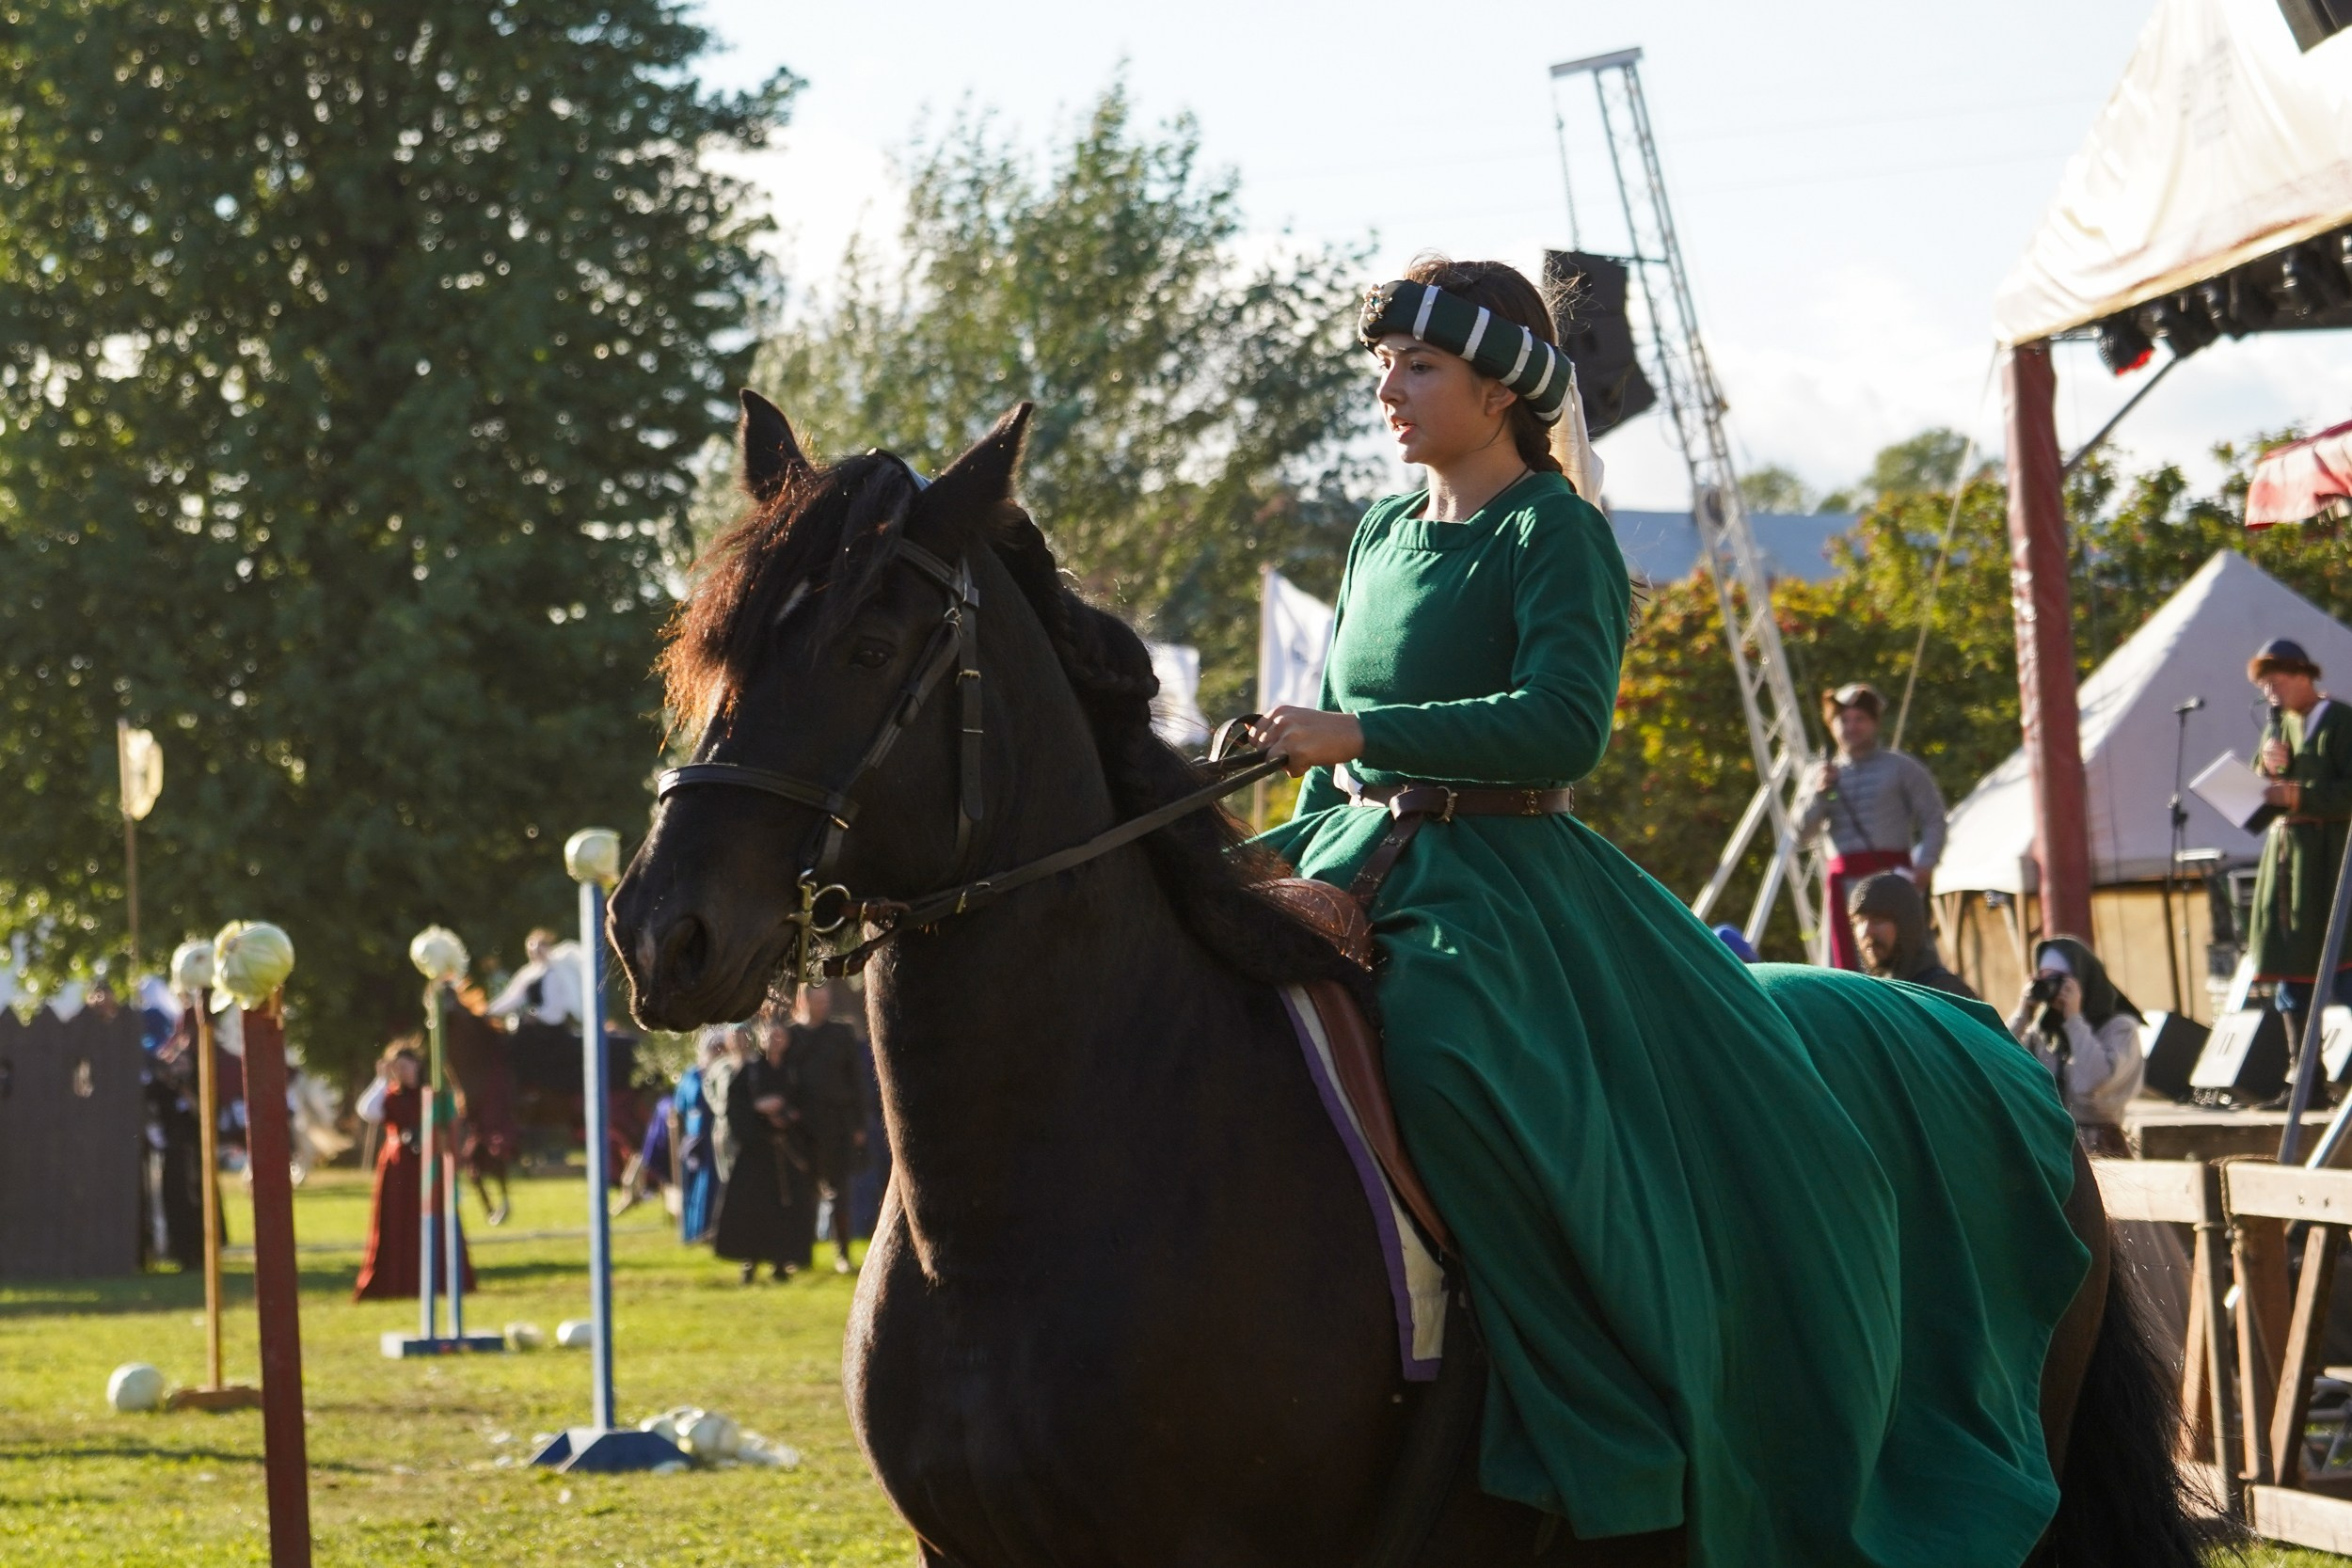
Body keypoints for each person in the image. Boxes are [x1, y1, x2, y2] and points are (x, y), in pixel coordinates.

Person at [1248, 256, 2087, 1563]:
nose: (1387, 390)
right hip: (1353, 837)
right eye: (1386, 365)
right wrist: (1293, 754)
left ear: (1502, 387)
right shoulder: (1375, 528)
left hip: (1503, 874)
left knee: (1457, 1066)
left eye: (1418, 365)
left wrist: (1354, 724)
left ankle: (1585, 1416)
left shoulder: (1555, 530)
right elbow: (1348, 723)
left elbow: (1561, 723)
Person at [1792, 683, 1948, 971]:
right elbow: (1800, 834)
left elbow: (1934, 818)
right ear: (1832, 725)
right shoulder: (1818, 774)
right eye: (1844, 719)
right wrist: (1819, 792)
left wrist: (1925, 865)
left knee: (1906, 963)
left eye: (1859, 719)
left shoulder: (1902, 768)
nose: (1851, 727)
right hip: (1843, 891)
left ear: (1874, 722)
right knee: (1846, 973)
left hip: (1894, 883)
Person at [2249, 638, 2352, 1031]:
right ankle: (2305, 1083)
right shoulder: (2277, 729)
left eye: (2274, 681)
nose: (2268, 692)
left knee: (2345, 969)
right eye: (2264, 686)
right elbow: (2261, 793)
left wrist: (2298, 796)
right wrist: (2265, 771)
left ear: (2300, 674)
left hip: (2333, 862)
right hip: (2288, 866)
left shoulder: (2341, 721)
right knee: (2291, 973)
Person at [354, 1042, 474, 1302]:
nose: (401, 1073)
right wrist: (381, 1079)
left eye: (405, 1067)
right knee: (397, 1224)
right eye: (396, 1068)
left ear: (417, 1066)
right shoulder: (390, 1095)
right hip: (398, 1170)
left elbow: (449, 1131)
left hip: (427, 1167)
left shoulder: (435, 1095)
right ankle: (397, 1281)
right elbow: (367, 1111)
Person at [2005, 937, 2142, 1153]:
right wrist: (2021, 1016)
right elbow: (1994, 1062)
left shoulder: (2120, 1029)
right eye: (2044, 977)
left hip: (2100, 1151)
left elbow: (2091, 1084)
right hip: (2048, 1146)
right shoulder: (2043, 1032)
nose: (2052, 987)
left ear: (2082, 978)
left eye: (2058, 979)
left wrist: (2074, 1020)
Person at [709, 1009, 814, 1283]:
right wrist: (759, 1109)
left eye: (781, 1035)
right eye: (771, 1036)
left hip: (787, 1151)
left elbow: (806, 1103)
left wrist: (788, 1115)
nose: (776, 1040)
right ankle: (750, 1262)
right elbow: (736, 1107)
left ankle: (782, 1262)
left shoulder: (794, 1069)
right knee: (752, 1209)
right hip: (756, 1152)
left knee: (785, 1208)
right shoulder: (751, 1070)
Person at [787, 982, 870, 1274]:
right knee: (804, 1193)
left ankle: (843, 1253)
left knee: (840, 1192)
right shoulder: (791, 1037)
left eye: (826, 1001)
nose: (823, 1006)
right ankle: (800, 1255)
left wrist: (859, 1124)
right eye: (817, 1001)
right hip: (803, 1127)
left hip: (838, 1124)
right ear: (804, 1002)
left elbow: (857, 1082)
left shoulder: (841, 1034)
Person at [1847, 870, 1977, 1000]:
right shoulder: (1873, 995)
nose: (1866, 932)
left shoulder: (1947, 994)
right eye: (1859, 922)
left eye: (1878, 920)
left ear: (1907, 923)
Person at [675, 1029, 724, 1243]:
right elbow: (682, 1106)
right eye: (715, 1047)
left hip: (720, 1136)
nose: (718, 1051)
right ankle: (696, 1231)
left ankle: (716, 1231)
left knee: (716, 1184)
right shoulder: (693, 1075)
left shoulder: (725, 1072)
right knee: (697, 1185)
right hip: (698, 1138)